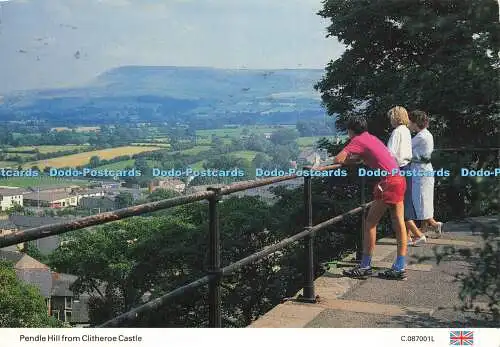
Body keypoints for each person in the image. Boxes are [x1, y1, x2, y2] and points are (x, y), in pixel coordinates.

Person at [321, 115, 409, 280]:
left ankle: (365, 265)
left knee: (370, 223)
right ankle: (399, 266)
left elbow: (338, 159)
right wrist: (358, 159)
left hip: (388, 182)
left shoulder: (358, 140)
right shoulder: (371, 137)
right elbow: (369, 156)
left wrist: (349, 160)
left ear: (350, 131)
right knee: (399, 223)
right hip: (398, 177)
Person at [386, 106, 426, 246]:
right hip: (407, 168)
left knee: (398, 205)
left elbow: (389, 154)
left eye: (391, 117)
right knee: (405, 202)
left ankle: (417, 234)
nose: (390, 120)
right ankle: (407, 237)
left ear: (395, 118)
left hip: (398, 169)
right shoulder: (406, 131)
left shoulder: (397, 132)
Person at [408, 110, 443, 234]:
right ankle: (427, 227)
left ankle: (432, 225)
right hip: (425, 170)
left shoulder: (420, 136)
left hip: (420, 171)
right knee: (425, 200)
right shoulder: (426, 134)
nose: (409, 124)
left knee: (421, 200)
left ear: (415, 123)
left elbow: (406, 148)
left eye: (410, 122)